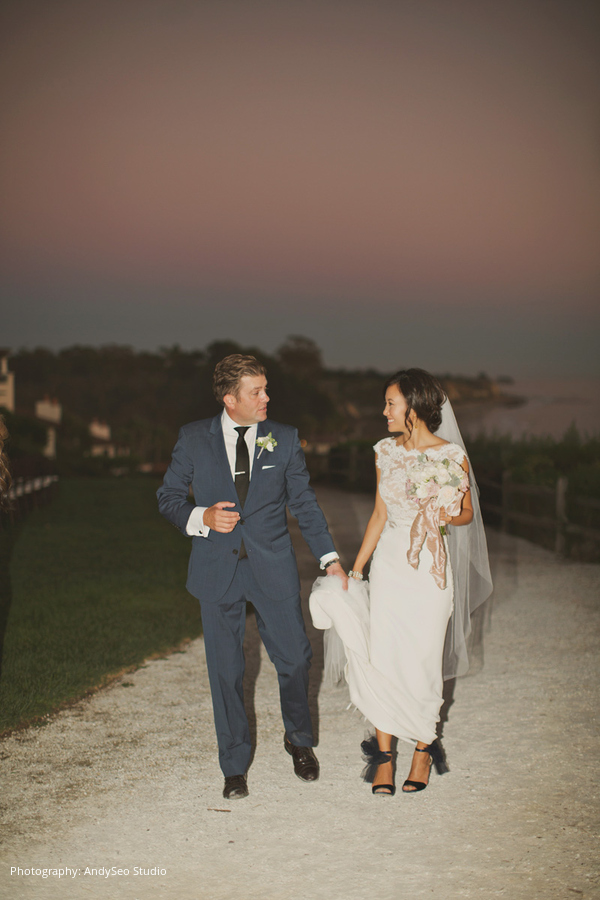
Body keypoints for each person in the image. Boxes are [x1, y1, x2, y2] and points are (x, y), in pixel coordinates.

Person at [157, 354, 347, 800]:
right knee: (225, 671)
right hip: (216, 569)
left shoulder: (284, 438)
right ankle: (234, 765)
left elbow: (304, 503)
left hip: (272, 567)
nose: (266, 398)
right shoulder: (193, 438)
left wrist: (329, 558)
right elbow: (168, 497)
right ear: (230, 398)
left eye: (265, 388)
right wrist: (202, 517)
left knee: (295, 660)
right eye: (256, 392)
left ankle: (299, 740)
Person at [310, 368, 492, 796]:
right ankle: (384, 757)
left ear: (414, 406)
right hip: (390, 569)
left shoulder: (451, 456)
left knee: (424, 660)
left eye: (390, 403)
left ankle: (424, 749)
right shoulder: (384, 452)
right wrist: (358, 569)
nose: (384, 411)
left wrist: (445, 513)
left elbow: (467, 513)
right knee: (385, 658)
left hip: (430, 572)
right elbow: (379, 514)